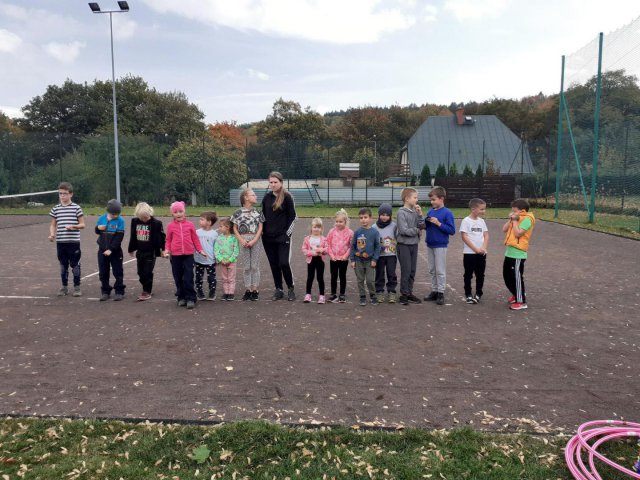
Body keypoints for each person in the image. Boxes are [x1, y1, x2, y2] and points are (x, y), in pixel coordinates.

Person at [261, 172, 297, 301]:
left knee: (284, 263)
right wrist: (262, 232)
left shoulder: (287, 197)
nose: (273, 184)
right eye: (271, 182)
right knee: (274, 264)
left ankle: (291, 288)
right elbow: (262, 217)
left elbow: (293, 217)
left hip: (283, 237)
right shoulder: (266, 198)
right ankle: (279, 289)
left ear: (281, 182)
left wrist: (287, 235)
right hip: (268, 238)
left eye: (275, 182)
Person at [164, 201, 206, 310]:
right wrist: (167, 250)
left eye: (180, 211)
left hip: (188, 255)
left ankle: (191, 298)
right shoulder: (170, 226)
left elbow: (195, 239)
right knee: (178, 277)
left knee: (188, 277)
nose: (178, 214)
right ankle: (181, 297)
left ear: (184, 212)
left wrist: (200, 249)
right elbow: (168, 240)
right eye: (176, 212)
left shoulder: (190, 225)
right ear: (172, 214)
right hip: (175, 256)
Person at [48, 182, 85, 297]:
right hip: (61, 242)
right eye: (60, 194)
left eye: (65, 194)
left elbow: (83, 225)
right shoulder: (56, 209)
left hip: (73, 242)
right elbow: (53, 224)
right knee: (63, 265)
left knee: (75, 264)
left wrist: (74, 226)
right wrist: (52, 234)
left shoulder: (76, 208)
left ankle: (77, 287)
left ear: (71, 194)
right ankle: (64, 287)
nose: (62, 196)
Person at [424, 186, 456, 306]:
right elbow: (427, 227)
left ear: (441, 198)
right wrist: (424, 223)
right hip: (430, 244)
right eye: (431, 200)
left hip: (440, 245)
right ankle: (435, 290)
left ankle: (441, 292)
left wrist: (439, 223)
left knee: (440, 270)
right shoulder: (430, 211)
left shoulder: (447, 212)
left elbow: (452, 230)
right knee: (432, 269)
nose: (432, 202)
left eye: (434, 200)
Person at [127, 202, 165, 301]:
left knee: (147, 272)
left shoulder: (156, 223)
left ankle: (147, 291)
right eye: (141, 218)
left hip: (151, 252)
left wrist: (163, 250)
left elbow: (161, 237)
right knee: (140, 273)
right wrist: (131, 249)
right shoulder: (135, 222)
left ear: (150, 213)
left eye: (145, 217)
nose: (144, 220)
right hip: (140, 251)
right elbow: (133, 236)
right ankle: (147, 288)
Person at [502, 198, 536, 310]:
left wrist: (515, 221)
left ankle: (521, 301)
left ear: (522, 211)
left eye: (515, 211)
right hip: (510, 252)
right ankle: (517, 294)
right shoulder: (516, 218)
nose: (512, 213)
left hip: (518, 254)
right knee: (507, 276)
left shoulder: (527, 220)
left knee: (516, 277)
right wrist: (511, 219)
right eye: (512, 211)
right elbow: (504, 229)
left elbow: (518, 233)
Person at [231, 188, 264, 301]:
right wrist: (240, 239)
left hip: (255, 239)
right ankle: (248, 289)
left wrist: (255, 240)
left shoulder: (258, 212)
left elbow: (260, 227)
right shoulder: (237, 212)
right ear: (246, 197)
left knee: (254, 266)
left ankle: (255, 289)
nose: (256, 197)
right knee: (246, 267)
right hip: (243, 240)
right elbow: (234, 227)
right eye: (253, 195)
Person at [396, 187, 424, 306]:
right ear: (407, 199)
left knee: (412, 270)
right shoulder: (401, 212)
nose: (417, 199)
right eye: (415, 197)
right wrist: (417, 230)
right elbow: (403, 230)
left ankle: (409, 292)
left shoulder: (415, 211)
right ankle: (403, 294)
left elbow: (421, 224)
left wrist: (420, 215)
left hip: (414, 244)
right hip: (404, 245)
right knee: (406, 270)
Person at [95, 199, 126, 301]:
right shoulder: (101, 218)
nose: (115, 216)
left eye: (117, 214)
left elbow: (119, 237)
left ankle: (119, 291)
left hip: (115, 251)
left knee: (117, 271)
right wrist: (98, 228)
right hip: (102, 250)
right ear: (108, 211)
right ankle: (105, 291)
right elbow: (97, 231)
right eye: (113, 214)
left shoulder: (120, 221)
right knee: (103, 271)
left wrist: (111, 249)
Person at [460, 198, 489, 304]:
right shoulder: (466, 221)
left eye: (484, 209)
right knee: (468, 274)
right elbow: (464, 236)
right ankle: (468, 293)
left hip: (481, 253)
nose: (483, 211)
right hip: (469, 254)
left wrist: (483, 248)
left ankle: (478, 293)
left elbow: (486, 235)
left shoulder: (482, 221)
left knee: (480, 274)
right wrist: (476, 249)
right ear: (473, 209)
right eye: (481, 209)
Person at [350, 207, 381, 306]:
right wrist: (352, 259)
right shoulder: (357, 232)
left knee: (370, 280)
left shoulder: (375, 232)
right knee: (360, 280)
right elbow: (353, 246)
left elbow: (377, 246)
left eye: (365, 217)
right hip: (358, 260)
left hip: (370, 261)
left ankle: (373, 295)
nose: (363, 220)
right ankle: (362, 296)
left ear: (370, 218)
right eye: (361, 218)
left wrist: (375, 259)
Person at [325, 208, 353, 303]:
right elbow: (327, 244)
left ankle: (342, 294)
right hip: (333, 259)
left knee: (342, 276)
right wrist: (331, 255)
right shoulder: (331, 231)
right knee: (333, 276)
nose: (338, 223)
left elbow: (351, 246)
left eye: (341, 221)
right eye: (337, 221)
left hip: (343, 259)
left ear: (345, 221)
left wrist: (345, 256)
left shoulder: (350, 232)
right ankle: (333, 294)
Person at [373, 203, 398, 304]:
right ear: (379, 215)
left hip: (391, 255)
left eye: (387, 215)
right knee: (379, 274)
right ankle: (379, 291)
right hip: (379, 255)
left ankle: (392, 291)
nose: (385, 217)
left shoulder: (394, 225)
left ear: (390, 215)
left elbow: (397, 237)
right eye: (382, 214)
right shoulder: (374, 227)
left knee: (391, 273)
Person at [301, 217, 328, 304]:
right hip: (311, 261)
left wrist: (321, 250)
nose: (316, 229)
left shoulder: (324, 239)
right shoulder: (307, 239)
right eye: (315, 227)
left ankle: (322, 295)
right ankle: (308, 294)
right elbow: (304, 249)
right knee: (310, 277)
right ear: (311, 227)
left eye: (319, 227)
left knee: (320, 278)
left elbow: (327, 249)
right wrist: (312, 253)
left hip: (320, 261)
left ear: (321, 228)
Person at [194, 211, 218, 301]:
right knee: (198, 277)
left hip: (210, 260)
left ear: (209, 222)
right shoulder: (196, 232)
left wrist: (216, 258)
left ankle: (212, 292)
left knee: (211, 278)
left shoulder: (214, 234)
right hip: (198, 259)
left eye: (202, 219)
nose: (200, 221)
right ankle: (199, 292)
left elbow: (216, 247)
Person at [214, 218, 240, 301]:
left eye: (221, 226)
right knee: (224, 278)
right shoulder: (219, 238)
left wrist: (230, 260)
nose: (219, 228)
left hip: (231, 262)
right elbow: (216, 250)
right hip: (222, 262)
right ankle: (226, 293)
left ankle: (231, 293)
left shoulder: (234, 238)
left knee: (231, 278)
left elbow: (236, 251)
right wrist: (221, 259)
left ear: (228, 227)